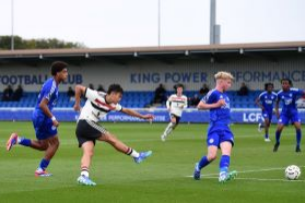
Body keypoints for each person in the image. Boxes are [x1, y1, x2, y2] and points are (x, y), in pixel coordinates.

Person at [73, 84, 154, 186]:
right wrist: (77, 104)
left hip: (82, 129)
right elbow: (78, 87)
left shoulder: (113, 105)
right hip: (86, 122)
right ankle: (137, 155)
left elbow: (126, 111)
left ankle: (83, 176)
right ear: (113, 93)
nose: (119, 99)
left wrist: (142, 117)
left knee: (88, 152)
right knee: (111, 138)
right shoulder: (96, 95)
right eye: (119, 96)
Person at [6, 61, 68, 177]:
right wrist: (53, 118)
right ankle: (41, 169)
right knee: (55, 143)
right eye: (64, 72)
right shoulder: (52, 85)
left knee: (43, 145)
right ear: (57, 73)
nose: (66, 74)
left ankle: (18, 140)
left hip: (38, 115)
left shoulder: (52, 84)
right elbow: (43, 105)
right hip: (42, 116)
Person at [193, 71, 237, 183]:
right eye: (228, 82)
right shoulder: (213, 93)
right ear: (221, 82)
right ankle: (198, 166)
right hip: (214, 128)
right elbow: (199, 106)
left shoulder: (226, 97)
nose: (230, 85)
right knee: (212, 156)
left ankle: (223, 175)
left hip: (226, 129)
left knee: (226, 152)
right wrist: (216, 105)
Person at [273, 78, 305, 153]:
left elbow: (303, 92)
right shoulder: (279, 93)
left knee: (298, 127)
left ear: (289, 85)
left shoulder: (294, 90)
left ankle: (298, 146)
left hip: (294, 112)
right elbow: (276, 103)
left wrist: (303, 99)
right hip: (284, 113)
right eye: (283, 83)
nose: (284, 85)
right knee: (279, 129)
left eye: (286, 83)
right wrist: (277, 112)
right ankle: (277, 142)